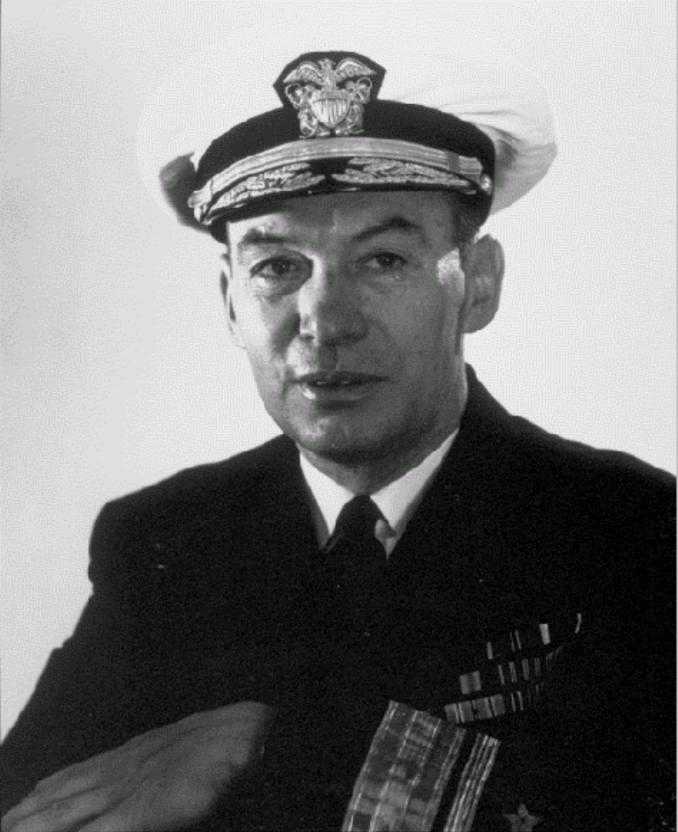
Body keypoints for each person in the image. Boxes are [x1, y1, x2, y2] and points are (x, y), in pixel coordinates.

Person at [1, 50, 674, 832]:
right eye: (278, 267)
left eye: (383, 260)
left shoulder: (637, 532)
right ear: (229, 302)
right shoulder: (166, 541)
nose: (325, 322)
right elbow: (28, 806)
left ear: (478, 282)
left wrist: (263, 745)